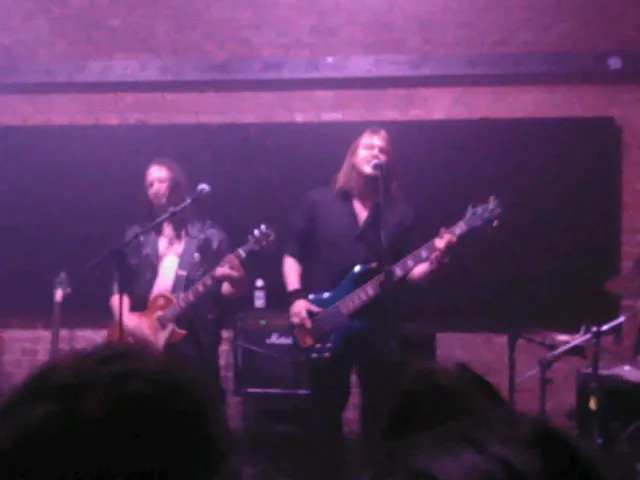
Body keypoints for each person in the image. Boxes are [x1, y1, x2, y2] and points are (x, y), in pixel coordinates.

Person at [281, 127, 456, 479]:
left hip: (378, 325)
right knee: (324, 413)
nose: (376, 153)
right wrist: (296, 298)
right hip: (324, 321)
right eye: (368, 147)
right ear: (353, 155)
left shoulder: (398, 212)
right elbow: (292, 254)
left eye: (383, 149)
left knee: (381, 414)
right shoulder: (319, 201)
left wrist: (436, 260)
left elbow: (410, 272)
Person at [108, 157, 248, 477]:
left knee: (200, 416)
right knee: (146, 420)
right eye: (149, 183)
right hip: (146, 338)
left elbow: (228, 291)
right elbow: (118, 289)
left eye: (162, 180)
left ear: (179, 184)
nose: (155, 188)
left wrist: (239, 280)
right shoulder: (138, 235)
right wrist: (131, 323)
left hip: (193, 340)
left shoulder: (209, 236)